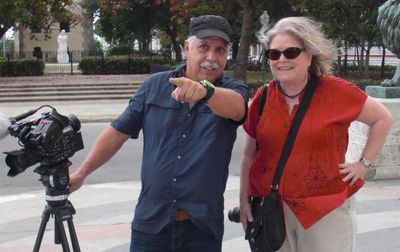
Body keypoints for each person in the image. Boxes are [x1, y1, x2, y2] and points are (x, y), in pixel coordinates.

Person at [69, 15, 248, 252]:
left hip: (201, 229)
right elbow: (118, 132)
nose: (211, 57)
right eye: (204, 47)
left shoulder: (233, 90)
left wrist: (205, 92)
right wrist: (81, 174)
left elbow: (237, 108)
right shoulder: (154, 86)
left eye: (220, 50)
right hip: (152, 222)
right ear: (187, 48)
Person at [239, 16, 393, 252]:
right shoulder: (262, 98)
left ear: (309, 56)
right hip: (273, 209)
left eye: (291, 52)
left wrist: (364, 163)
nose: (282, 60)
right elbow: (249, 154)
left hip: (325, 209)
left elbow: (383, 118)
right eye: (274, 54)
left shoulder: (337, 92)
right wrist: (243, 199)